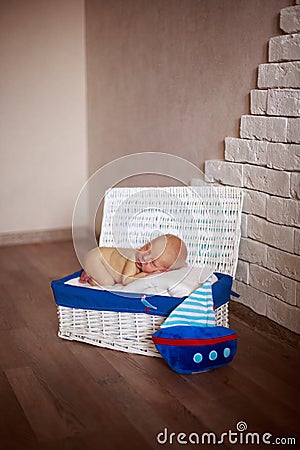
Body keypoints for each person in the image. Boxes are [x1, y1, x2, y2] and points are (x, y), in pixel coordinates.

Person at [79, 234, 187, 287]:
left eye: (152, 262)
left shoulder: (144, 259)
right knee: (107, 283)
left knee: (107, 277)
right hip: (97, 257)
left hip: (101, 261)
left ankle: (92, 270)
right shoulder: (133, 258)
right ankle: (91, 277)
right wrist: (145, 275)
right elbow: (126, 281)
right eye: (146, 248)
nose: (144, 257)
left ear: (163, 270)